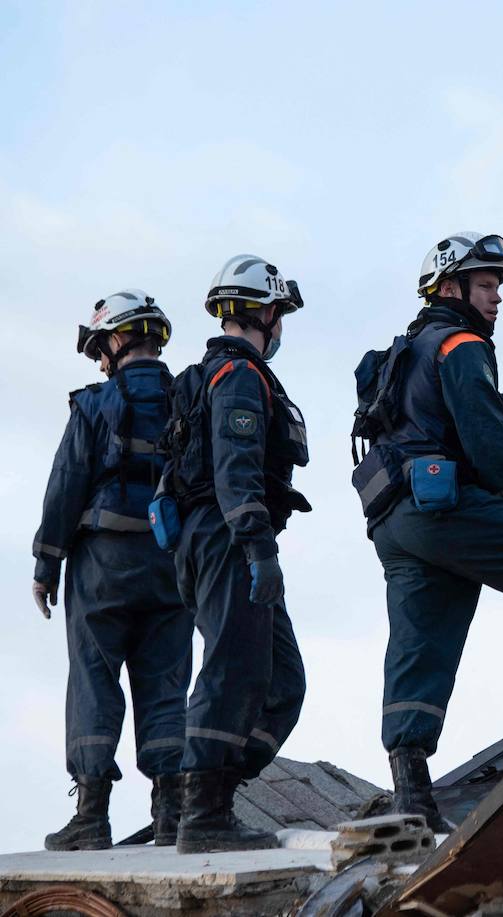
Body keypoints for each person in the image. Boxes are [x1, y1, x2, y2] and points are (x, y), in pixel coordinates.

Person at [351, 233, 503, 831]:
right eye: (486, 285)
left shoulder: (406, 349)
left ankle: (412, 795)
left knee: (419, 641)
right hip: (443, 508)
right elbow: (486, 432)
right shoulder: (460, 344)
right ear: (451, 288)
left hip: (393, 520)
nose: (497, 297)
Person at [159, 255, 310, 852]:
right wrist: (257, 548)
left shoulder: (206, 377)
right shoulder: (240, 376)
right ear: (263, 313)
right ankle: (204, 815)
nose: (281, 328)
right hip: (229, 539)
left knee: (283, 681)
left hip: (213, 538)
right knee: (231, 670)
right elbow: (236, 469)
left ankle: (208, 791)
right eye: (279, 315)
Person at [32, 292, 192, 850]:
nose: (100, 359)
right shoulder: (187, 399)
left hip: (102, 565)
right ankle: (171, 812)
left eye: (101, 347)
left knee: (93, 679)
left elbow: (66, 484)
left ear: (118, 340)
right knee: (166, 683)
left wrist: (46, 563)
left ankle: (91, 815)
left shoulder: (95, 404)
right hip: (172, 561)